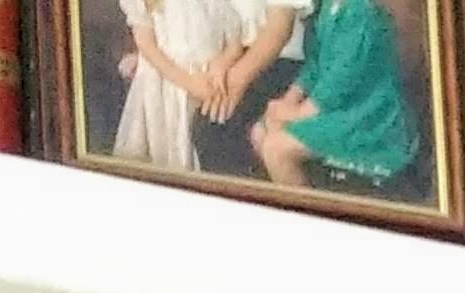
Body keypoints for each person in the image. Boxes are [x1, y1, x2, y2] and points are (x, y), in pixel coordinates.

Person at [248, 0, 420, 196]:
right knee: (260, 132)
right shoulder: (325, 8)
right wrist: (288, 100)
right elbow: (314, 65)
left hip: (368, 117)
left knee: (276, 149)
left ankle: (306, 210)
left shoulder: (360, 12)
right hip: (336, 110)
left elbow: (341, 79)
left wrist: (297, 113)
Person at [112, 0, 284, 174]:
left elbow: (234, 44)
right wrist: (190, 83)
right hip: (165, 83)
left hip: (207, 80)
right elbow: (146, 43)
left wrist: (222, 64)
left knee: (197, 140)